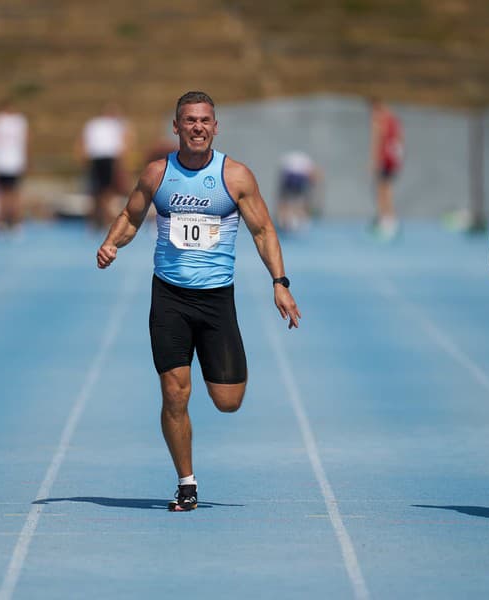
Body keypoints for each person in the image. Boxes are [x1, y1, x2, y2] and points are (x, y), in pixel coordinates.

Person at [96, 91, 301, 511]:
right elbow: (132, 215)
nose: (197, 127)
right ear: (176, 127)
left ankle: (221, 377)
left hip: (215, 301)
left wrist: (279, 282)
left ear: (215, 126)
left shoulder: (236, 177)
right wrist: (111, 244)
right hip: (168, 296)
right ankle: (186, 482)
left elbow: (263, 232)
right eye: (189, 120)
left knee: (228, 402)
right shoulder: (158, 174)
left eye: (205, 120)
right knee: (174, 394)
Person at [77, 102, 135, 229]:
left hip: (108, 158)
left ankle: (103, 219)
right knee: (100, 191)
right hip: (101, 158)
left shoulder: (112, 124)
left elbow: (125, 142)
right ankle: (100, 219)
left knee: (107, 191)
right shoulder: (102, 124)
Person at [0, 99, 29, 234]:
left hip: (14, 162)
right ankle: (2, 222)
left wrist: (26, 160)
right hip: (0, 162)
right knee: (2, 194)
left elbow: (26, 141)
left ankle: (15, 222)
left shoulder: (20, 121)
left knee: (14, 194)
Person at [368, 97, 403, 239]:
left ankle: (386, 220)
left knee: (382, 189)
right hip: (393, 159)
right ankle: (389, 220)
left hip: (385, 159)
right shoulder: (394, 120)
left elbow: (378, 140)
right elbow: (400, 140)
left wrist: (374, 161)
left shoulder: (379, 120)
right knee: (386, 189)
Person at [276, 150, 320, 233]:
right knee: (298, 200)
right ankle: (295, 218)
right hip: (294, 176)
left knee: (286, 199)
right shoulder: (307, 164)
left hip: (289, 175)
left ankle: (285, 219)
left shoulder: (302, 161)